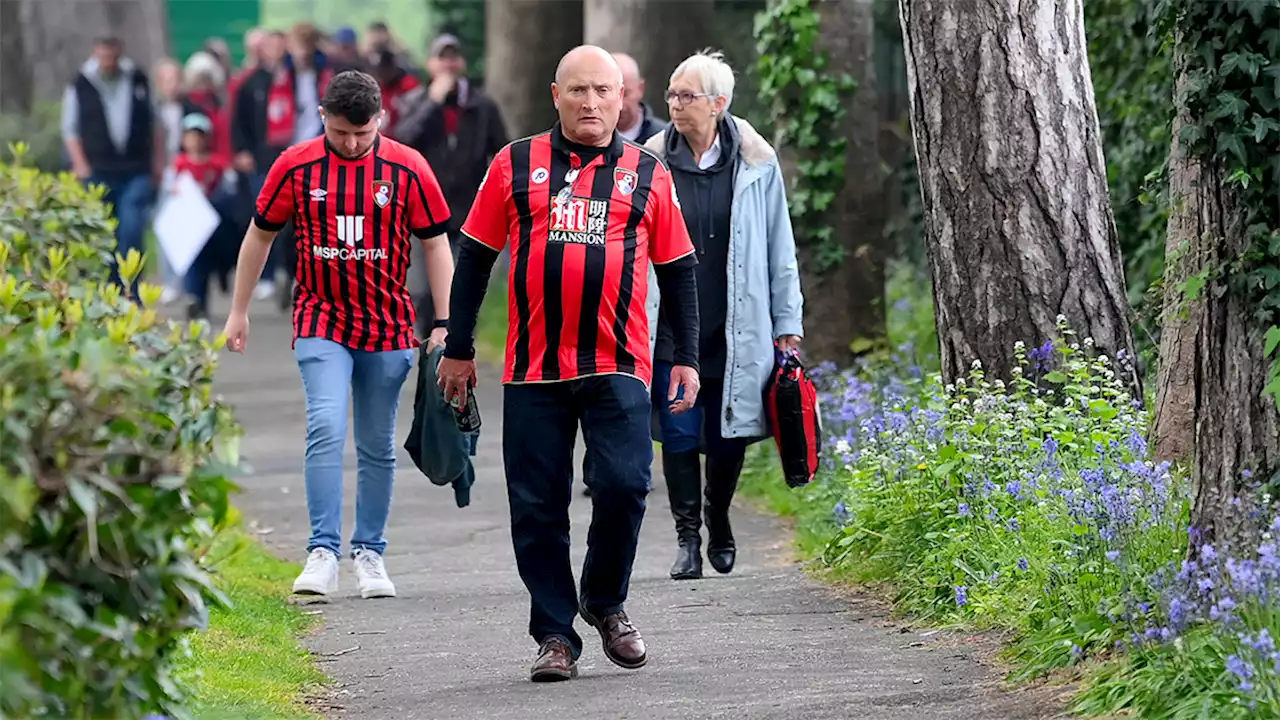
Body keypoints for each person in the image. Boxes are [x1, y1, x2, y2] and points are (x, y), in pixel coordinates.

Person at [437, 45, 701, 683]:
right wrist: (459, 348)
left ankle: (605, 601)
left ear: (623, 98)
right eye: (578, 91)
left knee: (625, 485)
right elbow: (473, 260)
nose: (591, 103)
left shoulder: (648, 172)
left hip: (619, 365)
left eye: (603, 92)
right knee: (537, 506)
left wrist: (687, 359)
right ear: (555, 94)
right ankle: (554, 634)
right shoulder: (514, 163)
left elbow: (680, 271)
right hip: (534, 369)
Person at [221, 70, 455, 600]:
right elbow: (259, 236)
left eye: (363, 133)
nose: (351, 144)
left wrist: (445, 321)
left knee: (376, 443)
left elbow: (436, 245)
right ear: (323, 116)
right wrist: (239, 310)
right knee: (325, 426)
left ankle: (369, 553)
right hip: (320, 318)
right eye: (341, 132)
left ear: (380, 120)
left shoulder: (408, 167)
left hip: (388, 324)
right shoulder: (295, 165)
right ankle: (322, 550)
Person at [644, 50, 804, 580]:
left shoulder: (758, 161)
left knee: (727, 432)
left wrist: (788, 326)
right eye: (671, 95)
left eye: (686, 96)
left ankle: (719, 517)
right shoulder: (649, 160)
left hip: (737, 322)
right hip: (671, 325)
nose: (674, 105)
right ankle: (687, 537)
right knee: (680, 430)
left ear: (719, 103)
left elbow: (780, 247)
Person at [395, 33, 508, 336]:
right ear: (430, 64)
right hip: (423, 211)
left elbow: (502, 151)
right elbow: (401, 141)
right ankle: (427, 350)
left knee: (461, 287)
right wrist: (432, 101)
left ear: (462, 63)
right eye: (442, 58)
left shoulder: (481, 105)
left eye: (453, 57)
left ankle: (458, 350)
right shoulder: (415, 102)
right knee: (424, 289)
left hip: (467, 209)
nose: (448, 64)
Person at [60, 36, 166, 295]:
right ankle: (109, 291)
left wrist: (158, 163)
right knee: (104, 234)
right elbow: (70, 129)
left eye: (111, 56)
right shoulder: (80, 84)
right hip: (98, 170)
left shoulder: (137, 79)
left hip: (135, 169)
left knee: (132, 229)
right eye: (102, 57)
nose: (107, 62)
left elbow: (155, 125)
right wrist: (80, 164)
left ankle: (131, 289)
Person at [613, 52, 666, 143]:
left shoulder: (663, 138)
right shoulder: (587, 139)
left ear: (640, 89)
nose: (620, 105)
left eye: (626, 94)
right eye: (613, 95)